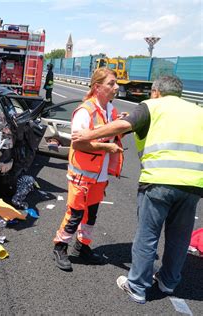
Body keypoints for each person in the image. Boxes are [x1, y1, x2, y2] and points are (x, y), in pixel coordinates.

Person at [71, 75, 203, 304]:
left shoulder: (152, 106)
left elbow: (124, 125)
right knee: (180, 238)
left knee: (147, 235)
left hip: (159, 181)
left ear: (156, 92)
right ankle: (168, 282)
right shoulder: (197, 111)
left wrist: (88, 134)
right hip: (193, 184)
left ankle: (137, 287)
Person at [52, 68, 124, 271]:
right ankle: (60, 246)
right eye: (111, 83)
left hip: (99, 173)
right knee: (75, 213)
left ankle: (82, 247)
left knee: (91, 213)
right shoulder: (85, 111)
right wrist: (106, 147)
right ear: (97, 87)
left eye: (115, 82)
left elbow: (110, 135)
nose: (116, 87)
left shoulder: (111, 109)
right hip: (82, 172)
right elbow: (79, 144)